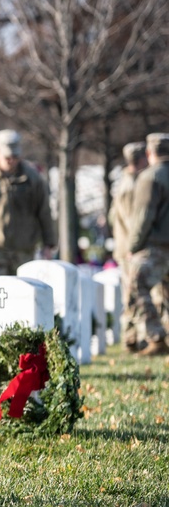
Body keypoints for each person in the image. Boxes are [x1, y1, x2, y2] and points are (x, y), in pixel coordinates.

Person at [0, 129, 57, 277]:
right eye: (7, 156)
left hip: (24, 251)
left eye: (15, 156)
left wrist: (48, 244)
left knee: (23, 296)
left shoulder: (33, 179)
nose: (11, 160)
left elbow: (44, 212)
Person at [125, 133, 169, 357]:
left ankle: (156, 336)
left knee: (137, 283)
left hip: (156, 247)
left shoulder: (150, 177)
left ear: (150, 153)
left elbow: (143, 217)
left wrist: (133, 247)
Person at [108, 142, 147, 352]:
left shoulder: (123, 181)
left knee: (130, 292)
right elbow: (135, 220)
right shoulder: (134, 186)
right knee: (133, 294)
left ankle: (130, 337)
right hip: (132, 248)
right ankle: (132, 338)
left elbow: (112, 216)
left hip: (124, 246)